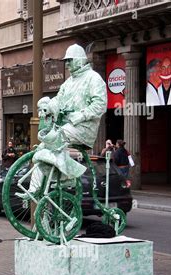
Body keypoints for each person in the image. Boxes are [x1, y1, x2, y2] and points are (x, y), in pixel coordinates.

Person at [18, 43, 107, 198]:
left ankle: (69, 176)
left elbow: (100, 104)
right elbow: (58, 100)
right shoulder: (68, 82)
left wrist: (82, 115)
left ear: (79, 60)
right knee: (42, 148)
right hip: (68, 126)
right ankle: (33, 189)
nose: (67, 64)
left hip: (84, 128)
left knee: (55, 139)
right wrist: (48, 107)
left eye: (69, 60)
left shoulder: (94, 78)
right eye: (66, 61)